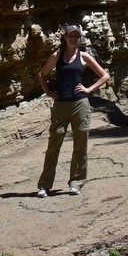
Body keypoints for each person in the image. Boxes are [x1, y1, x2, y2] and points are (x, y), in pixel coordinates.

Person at [36, 24, 109, 197]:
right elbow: (42, 74)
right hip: (61, 104)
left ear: (79, 38)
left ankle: (76, 182)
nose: (73, 38)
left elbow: (105, 75)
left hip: (80, 104)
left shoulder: (84, 56)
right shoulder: (57, 56)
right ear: (65, 37)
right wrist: (48, 92)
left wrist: (90, 89)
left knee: (80, 144)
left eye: (76, 36)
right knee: (54, 145)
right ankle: (44, 186)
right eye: (71, 35)